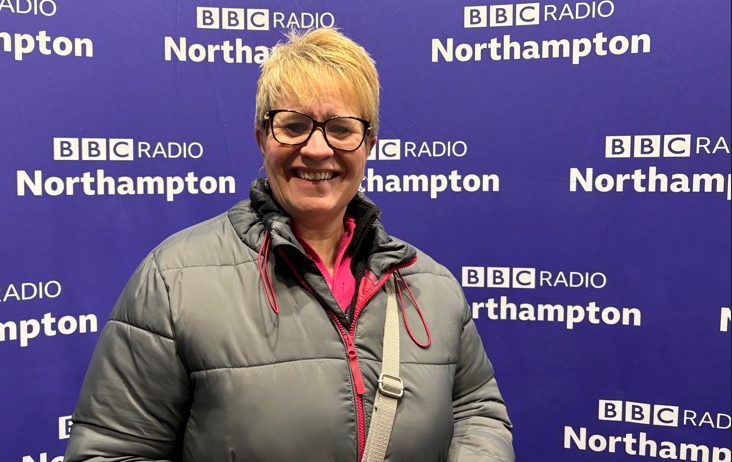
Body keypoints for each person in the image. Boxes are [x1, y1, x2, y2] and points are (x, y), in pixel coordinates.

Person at [65, 28, 514, 462]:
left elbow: (477, 411)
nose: (317, 149)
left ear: (368, 144)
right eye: (294, 125)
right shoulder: (173, 281)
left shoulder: (429, 285)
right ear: (263, 138)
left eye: (341, 128)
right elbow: (111, 453)